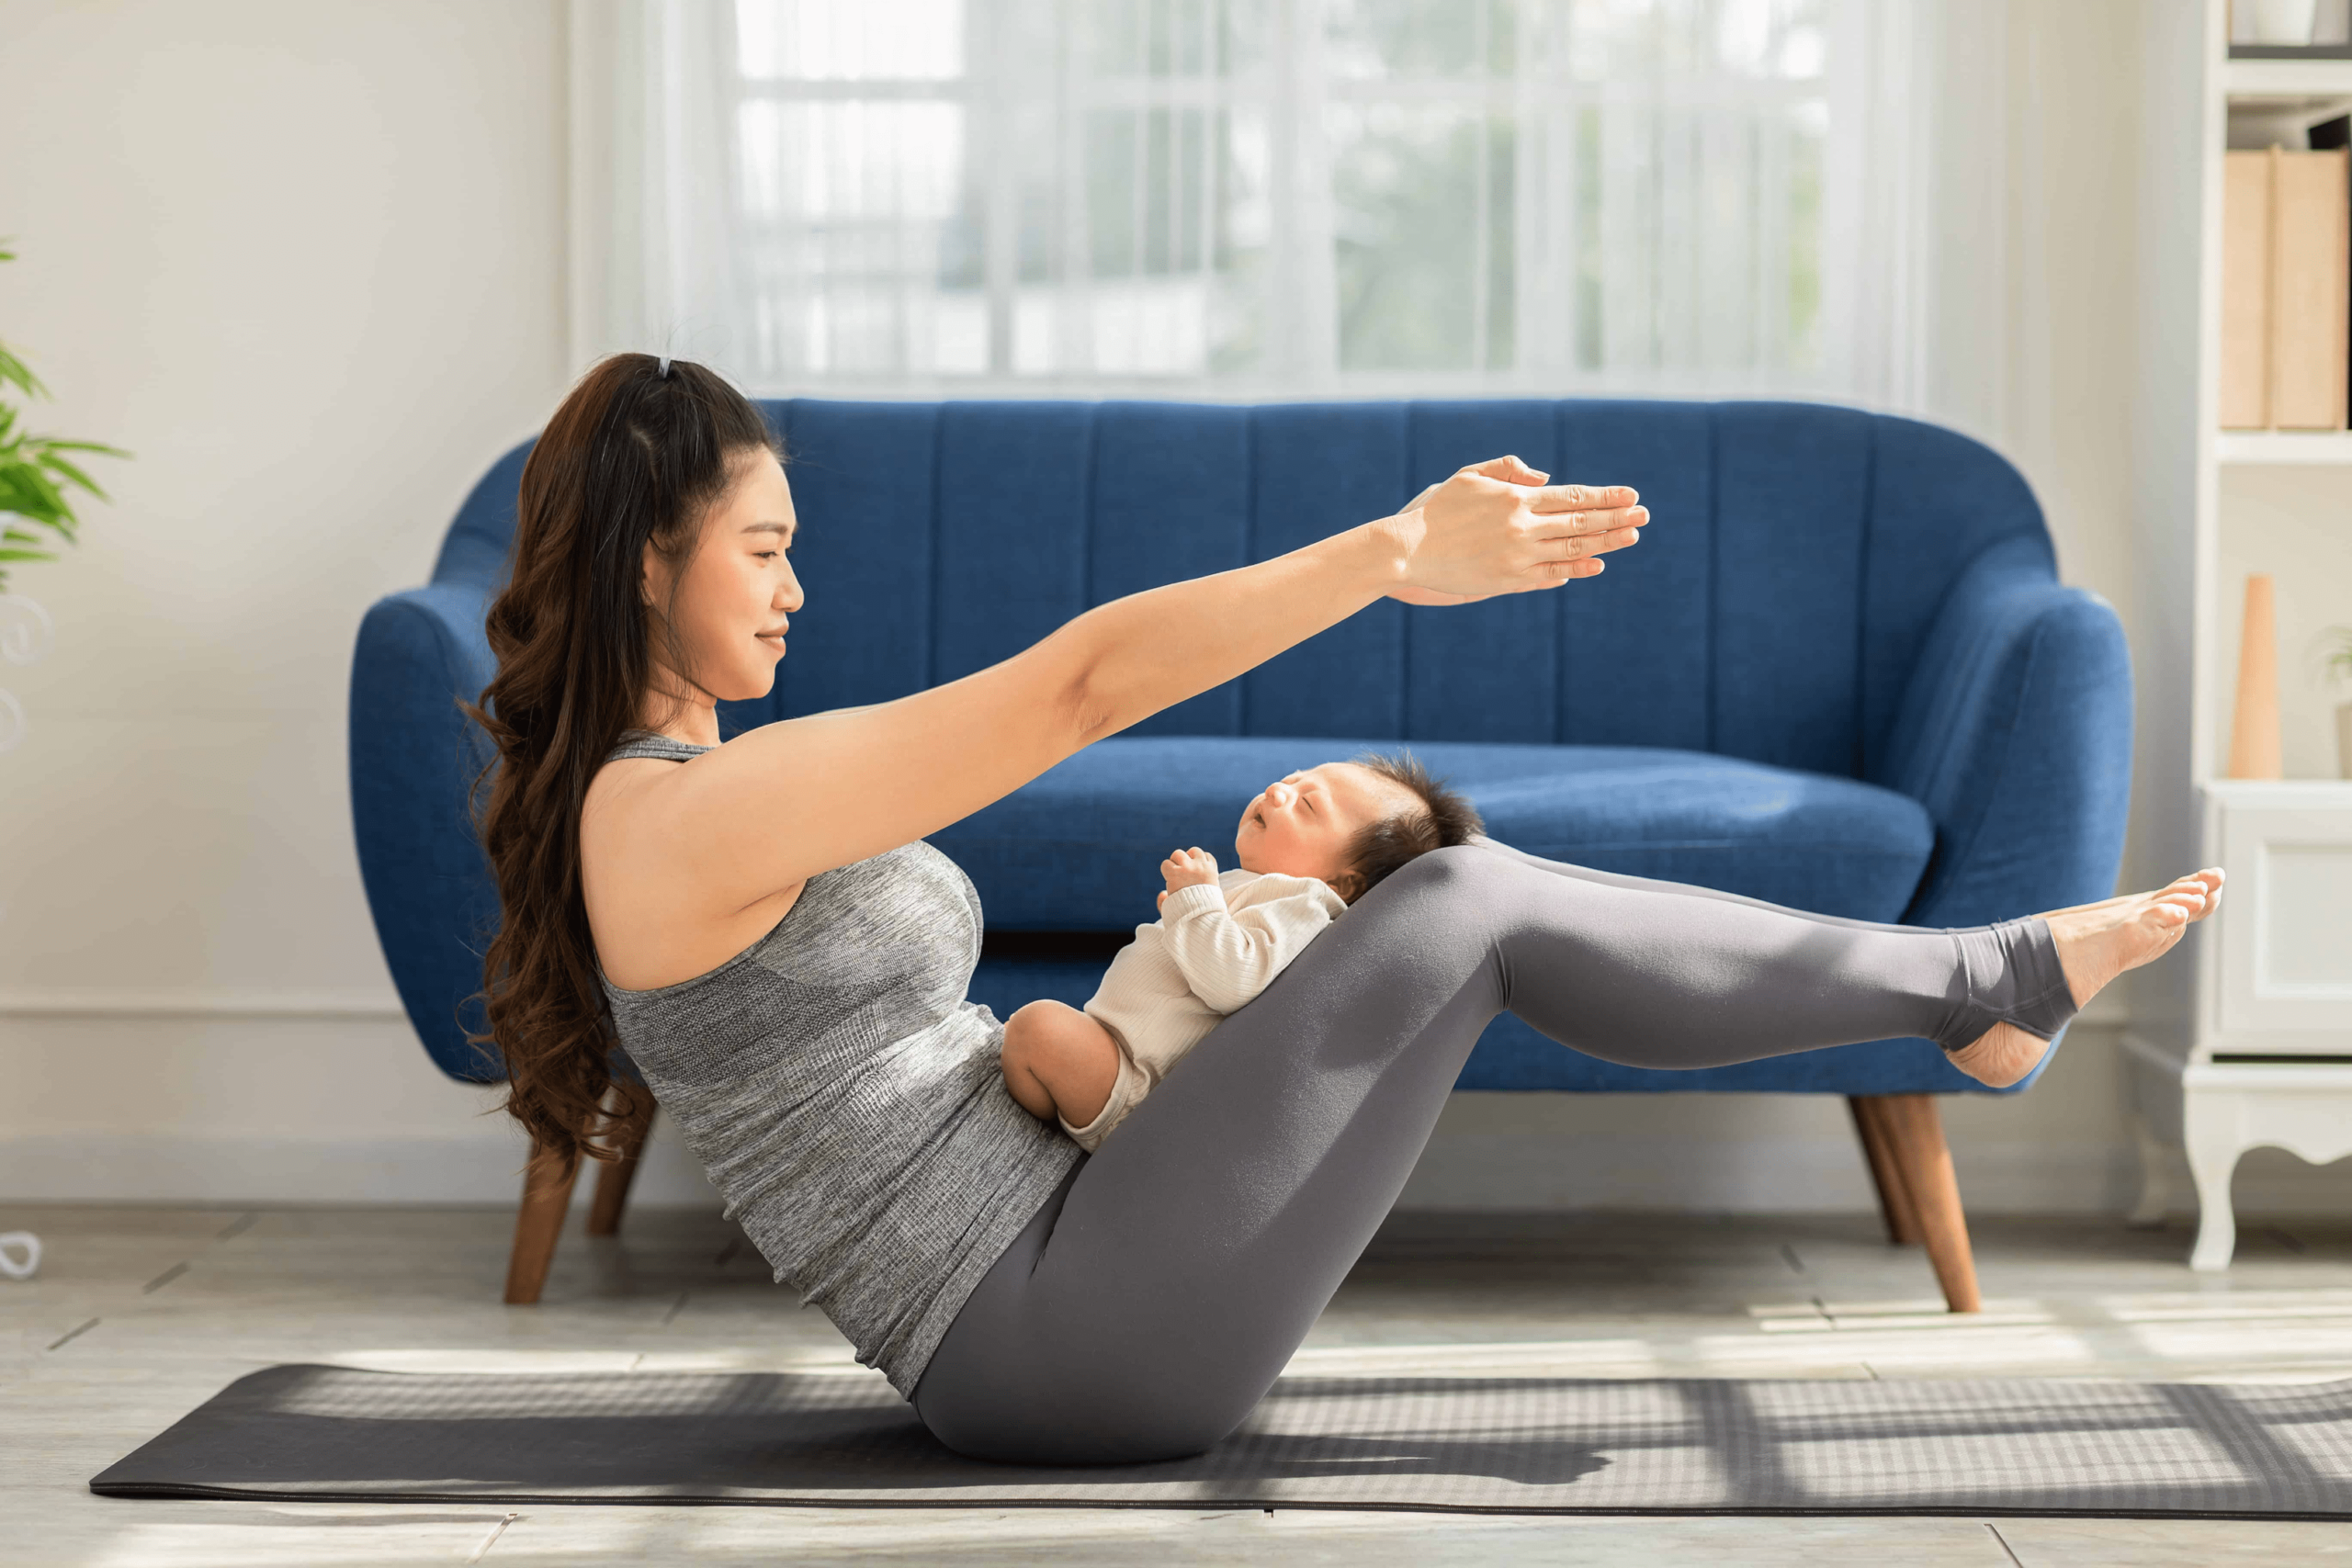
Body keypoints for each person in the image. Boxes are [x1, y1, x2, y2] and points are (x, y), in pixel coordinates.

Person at [469, 354, 2223, 1468]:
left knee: (1475, 900)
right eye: (763, 546)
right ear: (646, 558)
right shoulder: (676, 818)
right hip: (1052, 1335)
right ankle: (1982, 983)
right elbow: (1078, 684)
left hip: (1084, 1255)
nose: (798, 584)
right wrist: (1389, 551)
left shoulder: (680, 800)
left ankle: (1979, 989)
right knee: (1460, 899)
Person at [1001, 752, 1484, 1150]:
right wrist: (1189, 916)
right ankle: (1044, 1133)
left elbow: (1232, 979)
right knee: (1032, 1036)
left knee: (1037, 1026)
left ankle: (1045, 1149)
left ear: (1344, 880)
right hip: (1119, 1060)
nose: (1277, 791)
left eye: (1307, 805)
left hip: (1138, 1094)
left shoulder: (1304, 903)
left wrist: (1195, 904)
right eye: (1291, 779)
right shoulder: (1266, 891)